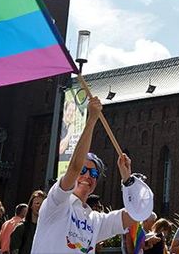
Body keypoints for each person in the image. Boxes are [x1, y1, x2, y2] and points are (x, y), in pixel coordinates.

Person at [30, 95, 152, 254]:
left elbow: (138, 213)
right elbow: (74, 167)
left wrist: (127, 180)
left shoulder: (95, 220)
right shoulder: (57, 203)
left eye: (94, 173)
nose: (88, 175)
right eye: (83, 170)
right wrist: (92, 119)